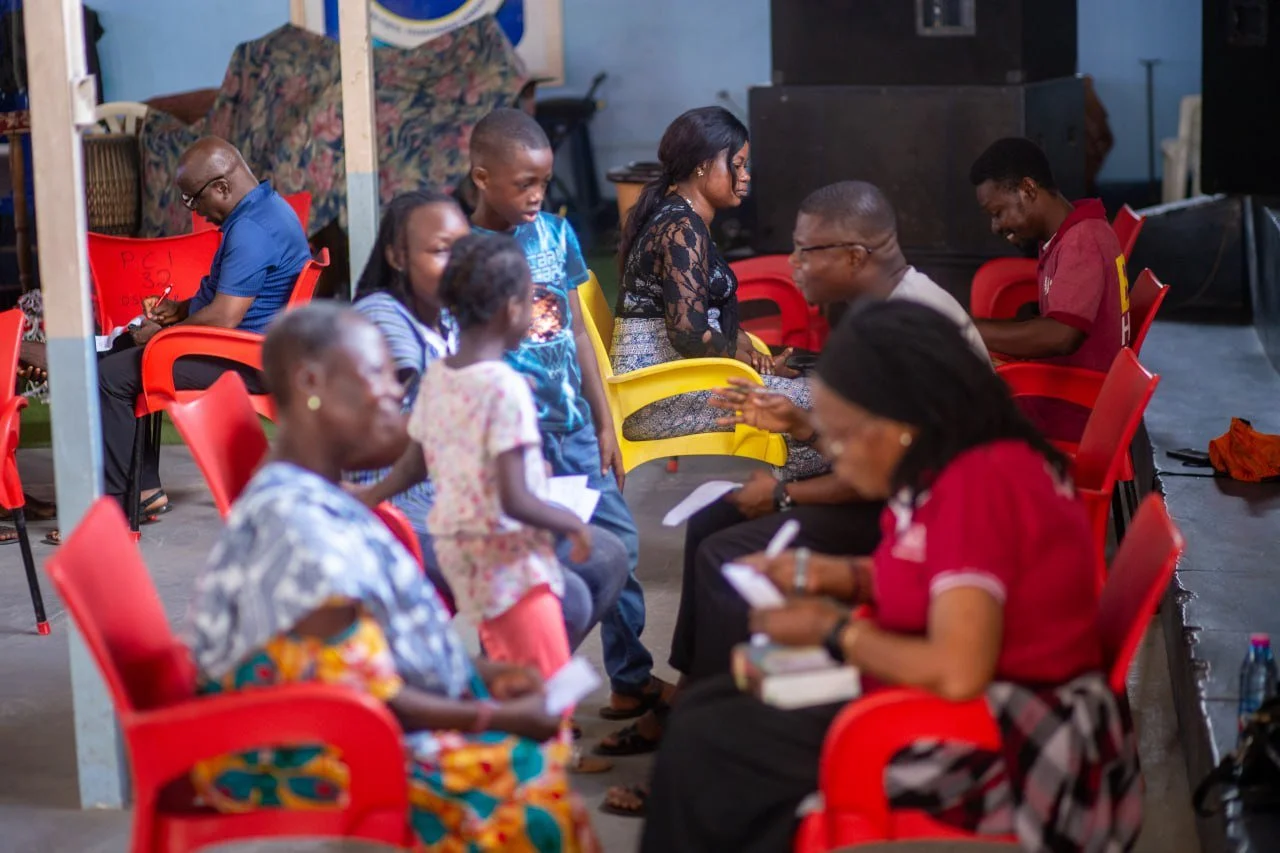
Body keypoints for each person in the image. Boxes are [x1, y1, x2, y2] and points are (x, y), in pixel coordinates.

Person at [639, 301, 1141, 853]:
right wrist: (823, 572)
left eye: (845, 437)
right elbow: (921, 577)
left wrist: (833, 630)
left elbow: (956, 670)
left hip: (1005, 742)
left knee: (707, 744)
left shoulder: (980, 487)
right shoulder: (947, 461)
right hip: (957, 697)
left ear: (899, 426)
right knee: (714, 704)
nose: (839, 459)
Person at [597, 181, 989, 778]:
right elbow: (874, 455)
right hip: (900, 499)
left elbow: (890, 474)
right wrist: (802, 426)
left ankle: (713, 727)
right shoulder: (878, 310)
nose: (794, 265)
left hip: (928, 522)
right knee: (715, 520)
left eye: (807, 252)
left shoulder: (911, 325)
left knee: (729, 554)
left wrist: (786, 490)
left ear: (855, 256)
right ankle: (694, 699)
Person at [186, 303, 599, 852]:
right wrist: (491, 711)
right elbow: (365, 701)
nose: (395, 395)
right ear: (312, 383)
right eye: (379, 373)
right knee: (521, 777)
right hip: (291, 749)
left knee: (528, 757)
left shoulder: (316, 495)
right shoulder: (301, 530)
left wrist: (480, 671)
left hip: (340, 717)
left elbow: (370, 665)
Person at [348, 191, 628, 642]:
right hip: (413, 515)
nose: (458, 265)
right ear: (397, 256)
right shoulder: (384, 316)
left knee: (609, 554)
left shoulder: (450, 319)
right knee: (569, 593)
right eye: (441, 251)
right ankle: (516, 695)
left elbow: (438, 420)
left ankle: (519, 682)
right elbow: (393, 422)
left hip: (455, 499)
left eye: (464, 251)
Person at [468, 107, 669, 720]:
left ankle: (630, 676)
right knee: (519, 571)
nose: (536, 196)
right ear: (481, 177)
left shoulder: (557, 236)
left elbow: (578, 332)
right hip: (507, 446)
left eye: (543, 183)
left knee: (617, 548)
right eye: (521, 184)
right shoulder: (460, 255)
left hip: (575, 431)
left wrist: (606, 422)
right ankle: (522, 687)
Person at [71, 137, 309, 541]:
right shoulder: (266, 210)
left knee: (110, 376)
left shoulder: (250, 230)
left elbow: (225, 317)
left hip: (246, 359)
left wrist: (163, 334)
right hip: (253, 347)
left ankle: (111, 512)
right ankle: (142, 490)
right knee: (125, 351)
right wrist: (178, 311)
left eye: (192, 198)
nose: (194, 209)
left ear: (221, 187)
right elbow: (225, 299)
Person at [412, 232, 592, 681]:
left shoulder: (441, 374)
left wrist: (371, 492)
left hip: (461, 550)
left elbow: (417, 457)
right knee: (544, 678)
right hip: (510, 563)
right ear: (511, 310)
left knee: (507, 655)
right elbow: (514, 499)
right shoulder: (505, 387)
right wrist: (570, 523)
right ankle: (546, 748)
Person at [610, 106, 821, 479]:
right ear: (704, 165)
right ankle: (788, 506)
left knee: (814, 393)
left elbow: (697, 321)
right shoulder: (681, 228)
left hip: (675, 380)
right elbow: (689, 334)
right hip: (658, 395)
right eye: (737, 165)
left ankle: (787, 502)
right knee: (825, 406)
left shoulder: (680, 218)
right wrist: (746, 360)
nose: (745, 177)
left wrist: (757, 360)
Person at [969, 136, 1129, 442]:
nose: (995, 226)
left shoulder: (1083, 241)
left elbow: (1062, 336)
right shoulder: (1065, 235)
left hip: (1072, 411)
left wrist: (964, 328)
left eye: (997, 212)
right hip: (1067, 393)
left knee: (947, 404)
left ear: (1028, 189)